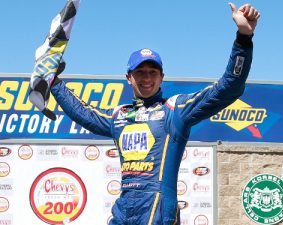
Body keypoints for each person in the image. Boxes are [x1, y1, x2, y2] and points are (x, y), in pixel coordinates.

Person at [51, 3, 260, 225]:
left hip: (158, 208)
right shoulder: (120, 116)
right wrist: (53, 82)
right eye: (140, 72)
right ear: (128, 77)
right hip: (124, 208)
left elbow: (230, 86)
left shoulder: (175, 110)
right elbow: (83, 113)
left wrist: (244, 38)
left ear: (162, 77)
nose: (146, 78)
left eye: (153, 72)